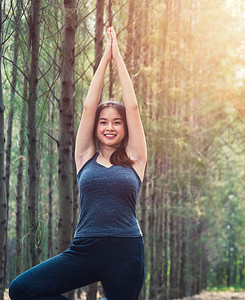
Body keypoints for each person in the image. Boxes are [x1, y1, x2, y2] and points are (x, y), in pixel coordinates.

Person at [9, 27, 147, 300]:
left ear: (125, 128)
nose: (110, 127)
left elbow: (132, 108)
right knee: (21, 290)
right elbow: (87, 108)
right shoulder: (84, 157)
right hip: (85, 248)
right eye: (104, 122)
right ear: (96, 127)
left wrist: (117, 58)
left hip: (126, 250)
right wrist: (103, 61)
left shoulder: (135, 158)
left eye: (116, 122)